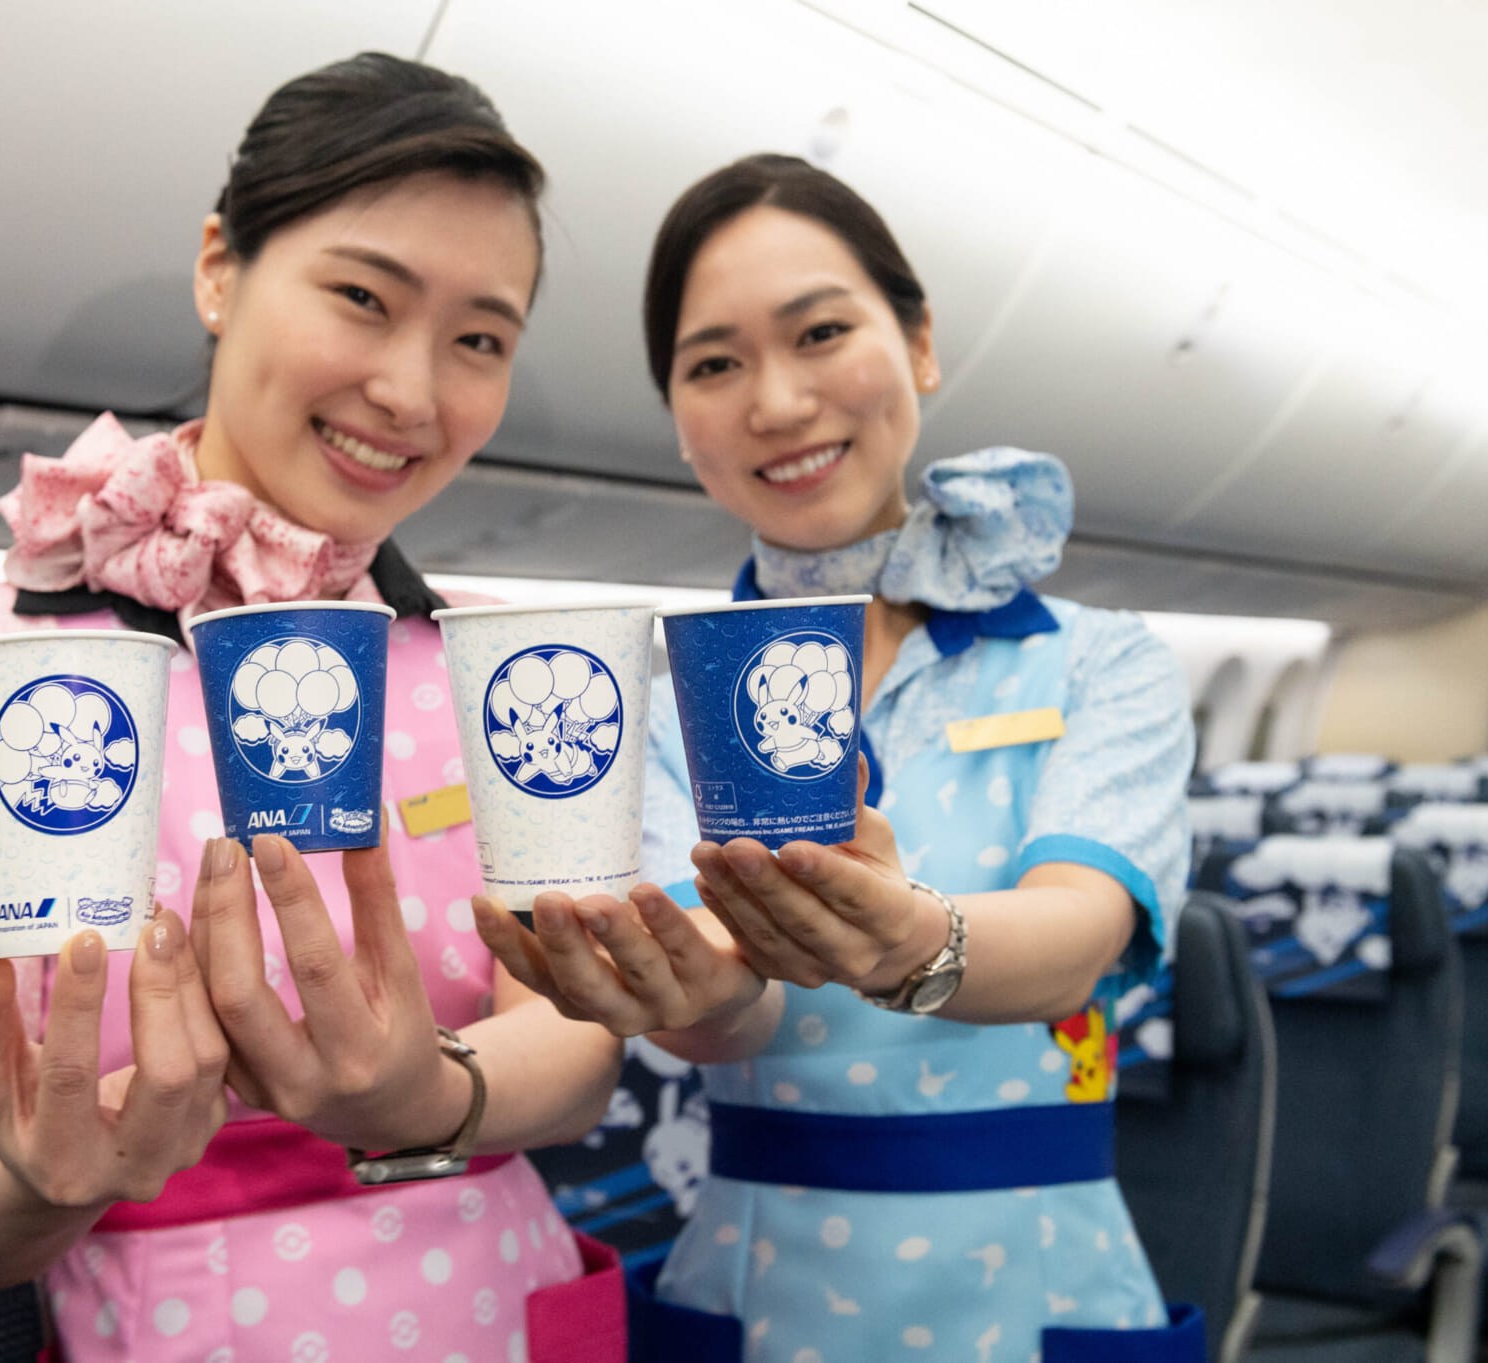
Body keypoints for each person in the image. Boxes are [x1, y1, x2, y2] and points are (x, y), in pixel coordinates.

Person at [0, 53, 625, 1362]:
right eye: (362, 297)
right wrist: (54, 1174)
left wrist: (430, 1092)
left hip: (504, 1307)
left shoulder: (503, 658)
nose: (412, 391)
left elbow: (577, 1046)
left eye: (478, 340)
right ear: (218, 270)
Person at [476, 154, 1202, 1360]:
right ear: (677, 419)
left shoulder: (1095, 661)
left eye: (818, 333)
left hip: (1041, 1277)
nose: (774, 402)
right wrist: (689, 995)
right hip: (758, 1282)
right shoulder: (647, 712)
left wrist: (904, 937)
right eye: (713, 364)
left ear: (917, 344)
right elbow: (728, 1005)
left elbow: (1078, 938)